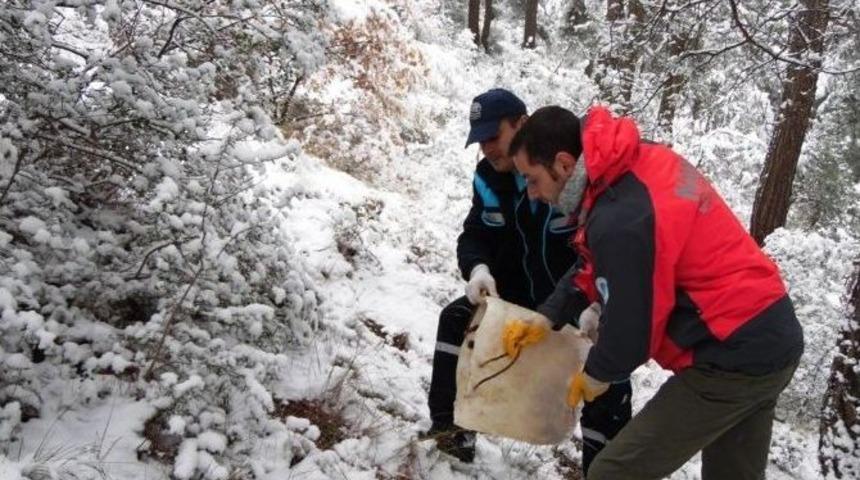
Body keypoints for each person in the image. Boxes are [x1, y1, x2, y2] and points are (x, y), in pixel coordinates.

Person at [508, 105, 804, 479]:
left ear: (564, 164)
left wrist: (596, 373)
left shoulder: (620, 216)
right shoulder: (629, 165)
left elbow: (635, 328)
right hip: (773, 334)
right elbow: (602, 261)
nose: (532, 194)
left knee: (614, 474)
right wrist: (548, 315)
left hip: (730, 353)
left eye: (533, 180)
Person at [425, 89, 631, 472]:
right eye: (480, 140)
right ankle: (450, 434)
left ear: (521, 124)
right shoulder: (487, 176)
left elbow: (604, 247)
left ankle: (606, 467)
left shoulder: (560, 167)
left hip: (575, 296)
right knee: (454, 321)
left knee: (605, 369)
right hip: (514, 293)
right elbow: (475, 233)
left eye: (493, 136)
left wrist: (596, 303)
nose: (487, 148)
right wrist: (478, 268)